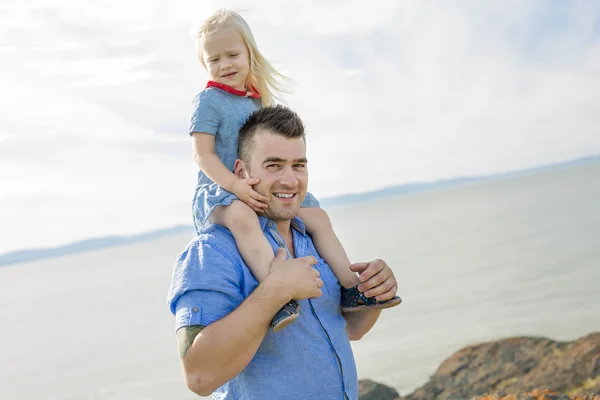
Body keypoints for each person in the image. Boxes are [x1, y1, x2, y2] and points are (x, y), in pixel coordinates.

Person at [187, 9, 401, 331]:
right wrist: (235, 186)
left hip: (258, 185)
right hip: (221, 191)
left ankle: (352, 287)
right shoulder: (208, 100)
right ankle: (277, 294)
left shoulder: (256, 100)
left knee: (318, 217)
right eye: (213, 59)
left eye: (232, 55)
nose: (224, 65)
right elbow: (203, 156)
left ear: (249, 53)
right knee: (244, 218)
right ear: (205, 64)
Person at [168, 105, 401, 399]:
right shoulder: (212, 251)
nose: (290, 180)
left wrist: (375, 293)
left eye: (298, 165)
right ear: (242, 172)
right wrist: (275, 291)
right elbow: (199, 376)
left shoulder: (311, 236)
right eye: (274, 165)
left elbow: (350, 329)